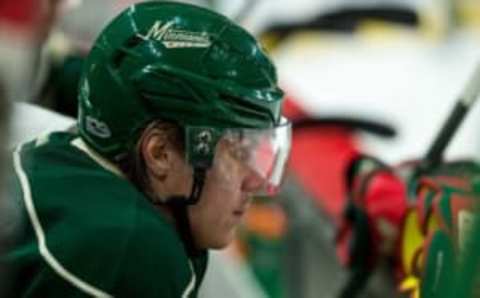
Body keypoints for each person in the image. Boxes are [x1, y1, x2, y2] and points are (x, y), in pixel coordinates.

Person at [0, 1, 291, 297]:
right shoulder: (130, 253)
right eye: (237, 153)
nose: (255, 181)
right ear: (160, 153)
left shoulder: (58, 148)